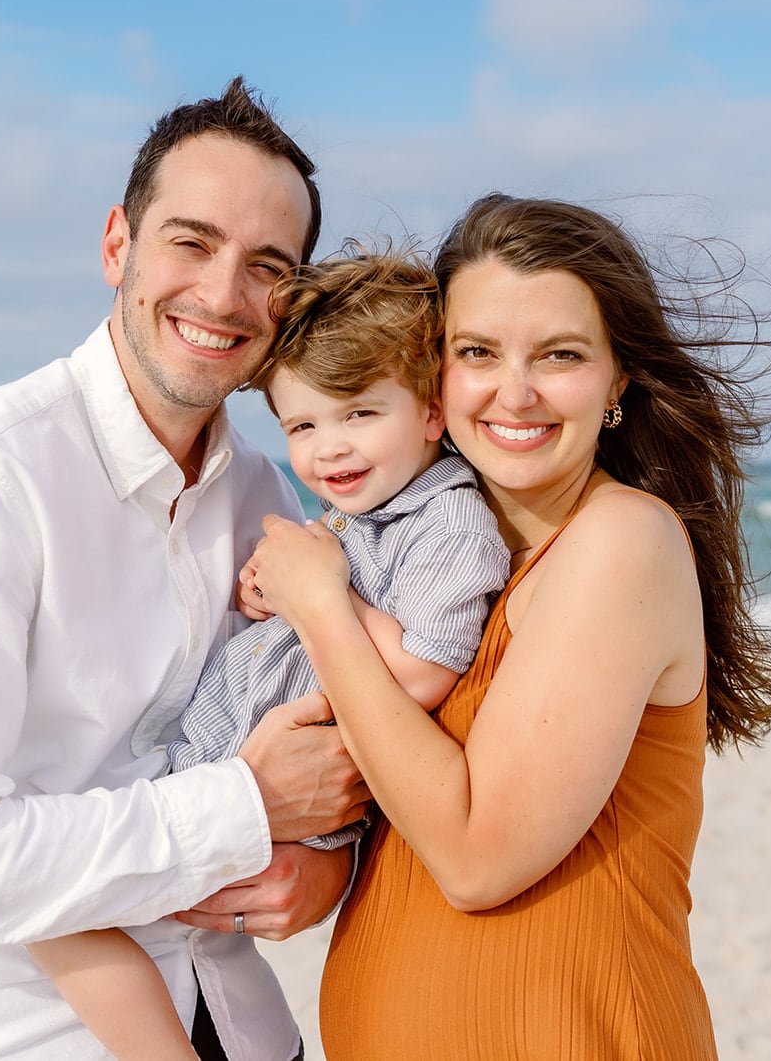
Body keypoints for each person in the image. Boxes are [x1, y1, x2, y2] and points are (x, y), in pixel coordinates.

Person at [0, 77, 369, 1061]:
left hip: (238, 1021)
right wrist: (242, 808)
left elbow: (312, 744)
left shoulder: (264, 493)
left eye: (266, 265)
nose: (222, 293)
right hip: (8, 1039)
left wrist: (322, 870)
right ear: (117, 245)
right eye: (191, 241)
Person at [246, 193, 771, 1059]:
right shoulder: (434, 568)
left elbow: (474, 856)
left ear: (617, 378)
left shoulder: (620, 542)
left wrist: (321, 608)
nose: (516, 390)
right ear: (435, 374)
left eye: (561, 354)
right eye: (478, 352)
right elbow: (398, 800)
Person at [27, 249, 511, 1059]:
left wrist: (321, 595)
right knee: (67, 903)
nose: (328, 449)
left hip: (284, 790)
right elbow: (307, 597)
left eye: (360, 413)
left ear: (432, 412)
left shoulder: (450, 524)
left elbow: (424, 667)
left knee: (64, 911)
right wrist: (272, 591)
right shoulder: (365, 510)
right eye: (303, 425)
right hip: (224, 757)